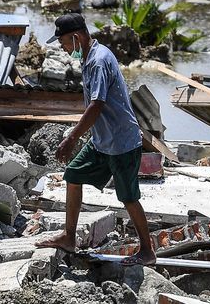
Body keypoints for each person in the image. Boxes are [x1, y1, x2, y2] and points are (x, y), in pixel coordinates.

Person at [36, 13, 155, 265]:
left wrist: (71, 139)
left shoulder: (99, 60)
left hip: (122, 142)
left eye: (65, 43)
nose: (64, 49)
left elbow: (96, 105)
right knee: (73, 175)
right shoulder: (88, 56)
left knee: (128, 197)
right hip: (103, 140)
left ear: (76, 37)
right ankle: (69, 237)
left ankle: (147, 251)